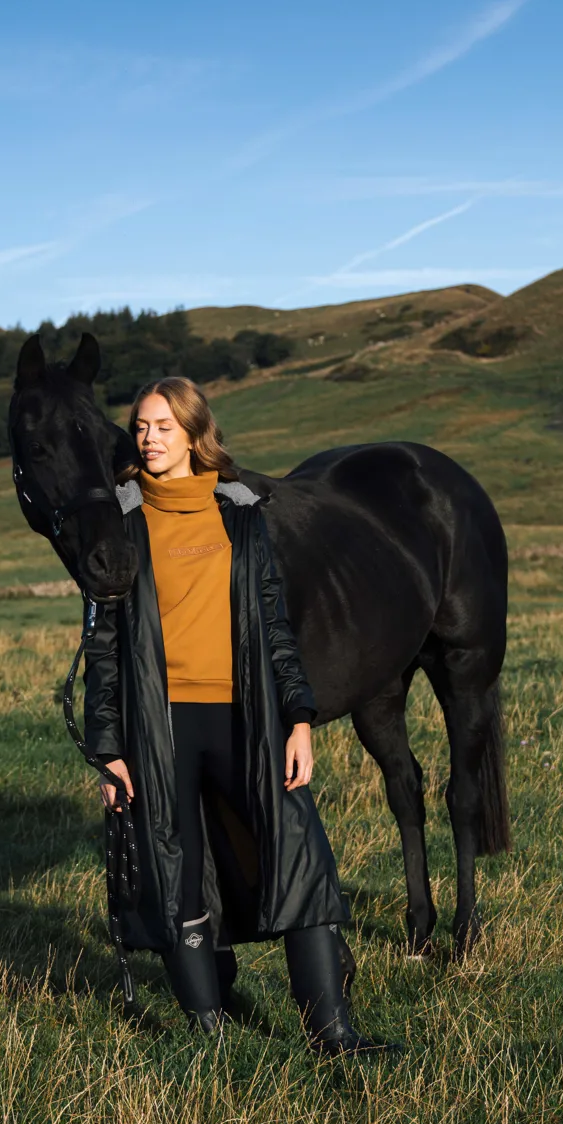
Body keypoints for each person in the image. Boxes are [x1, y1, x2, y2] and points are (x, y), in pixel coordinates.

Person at [81, 375, 393, 1057]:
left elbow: (275, 626)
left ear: (195, 434)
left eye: (164, 426)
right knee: (178, 870)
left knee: (301, 855)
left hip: (244, 718)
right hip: (158, 727)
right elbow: (103, 646)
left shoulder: (240, 513)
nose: (149, 439)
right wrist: (108, 749)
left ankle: (333, 1033)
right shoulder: (122, 520)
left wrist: (299, 717)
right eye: (140, 427)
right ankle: (209, 1035)